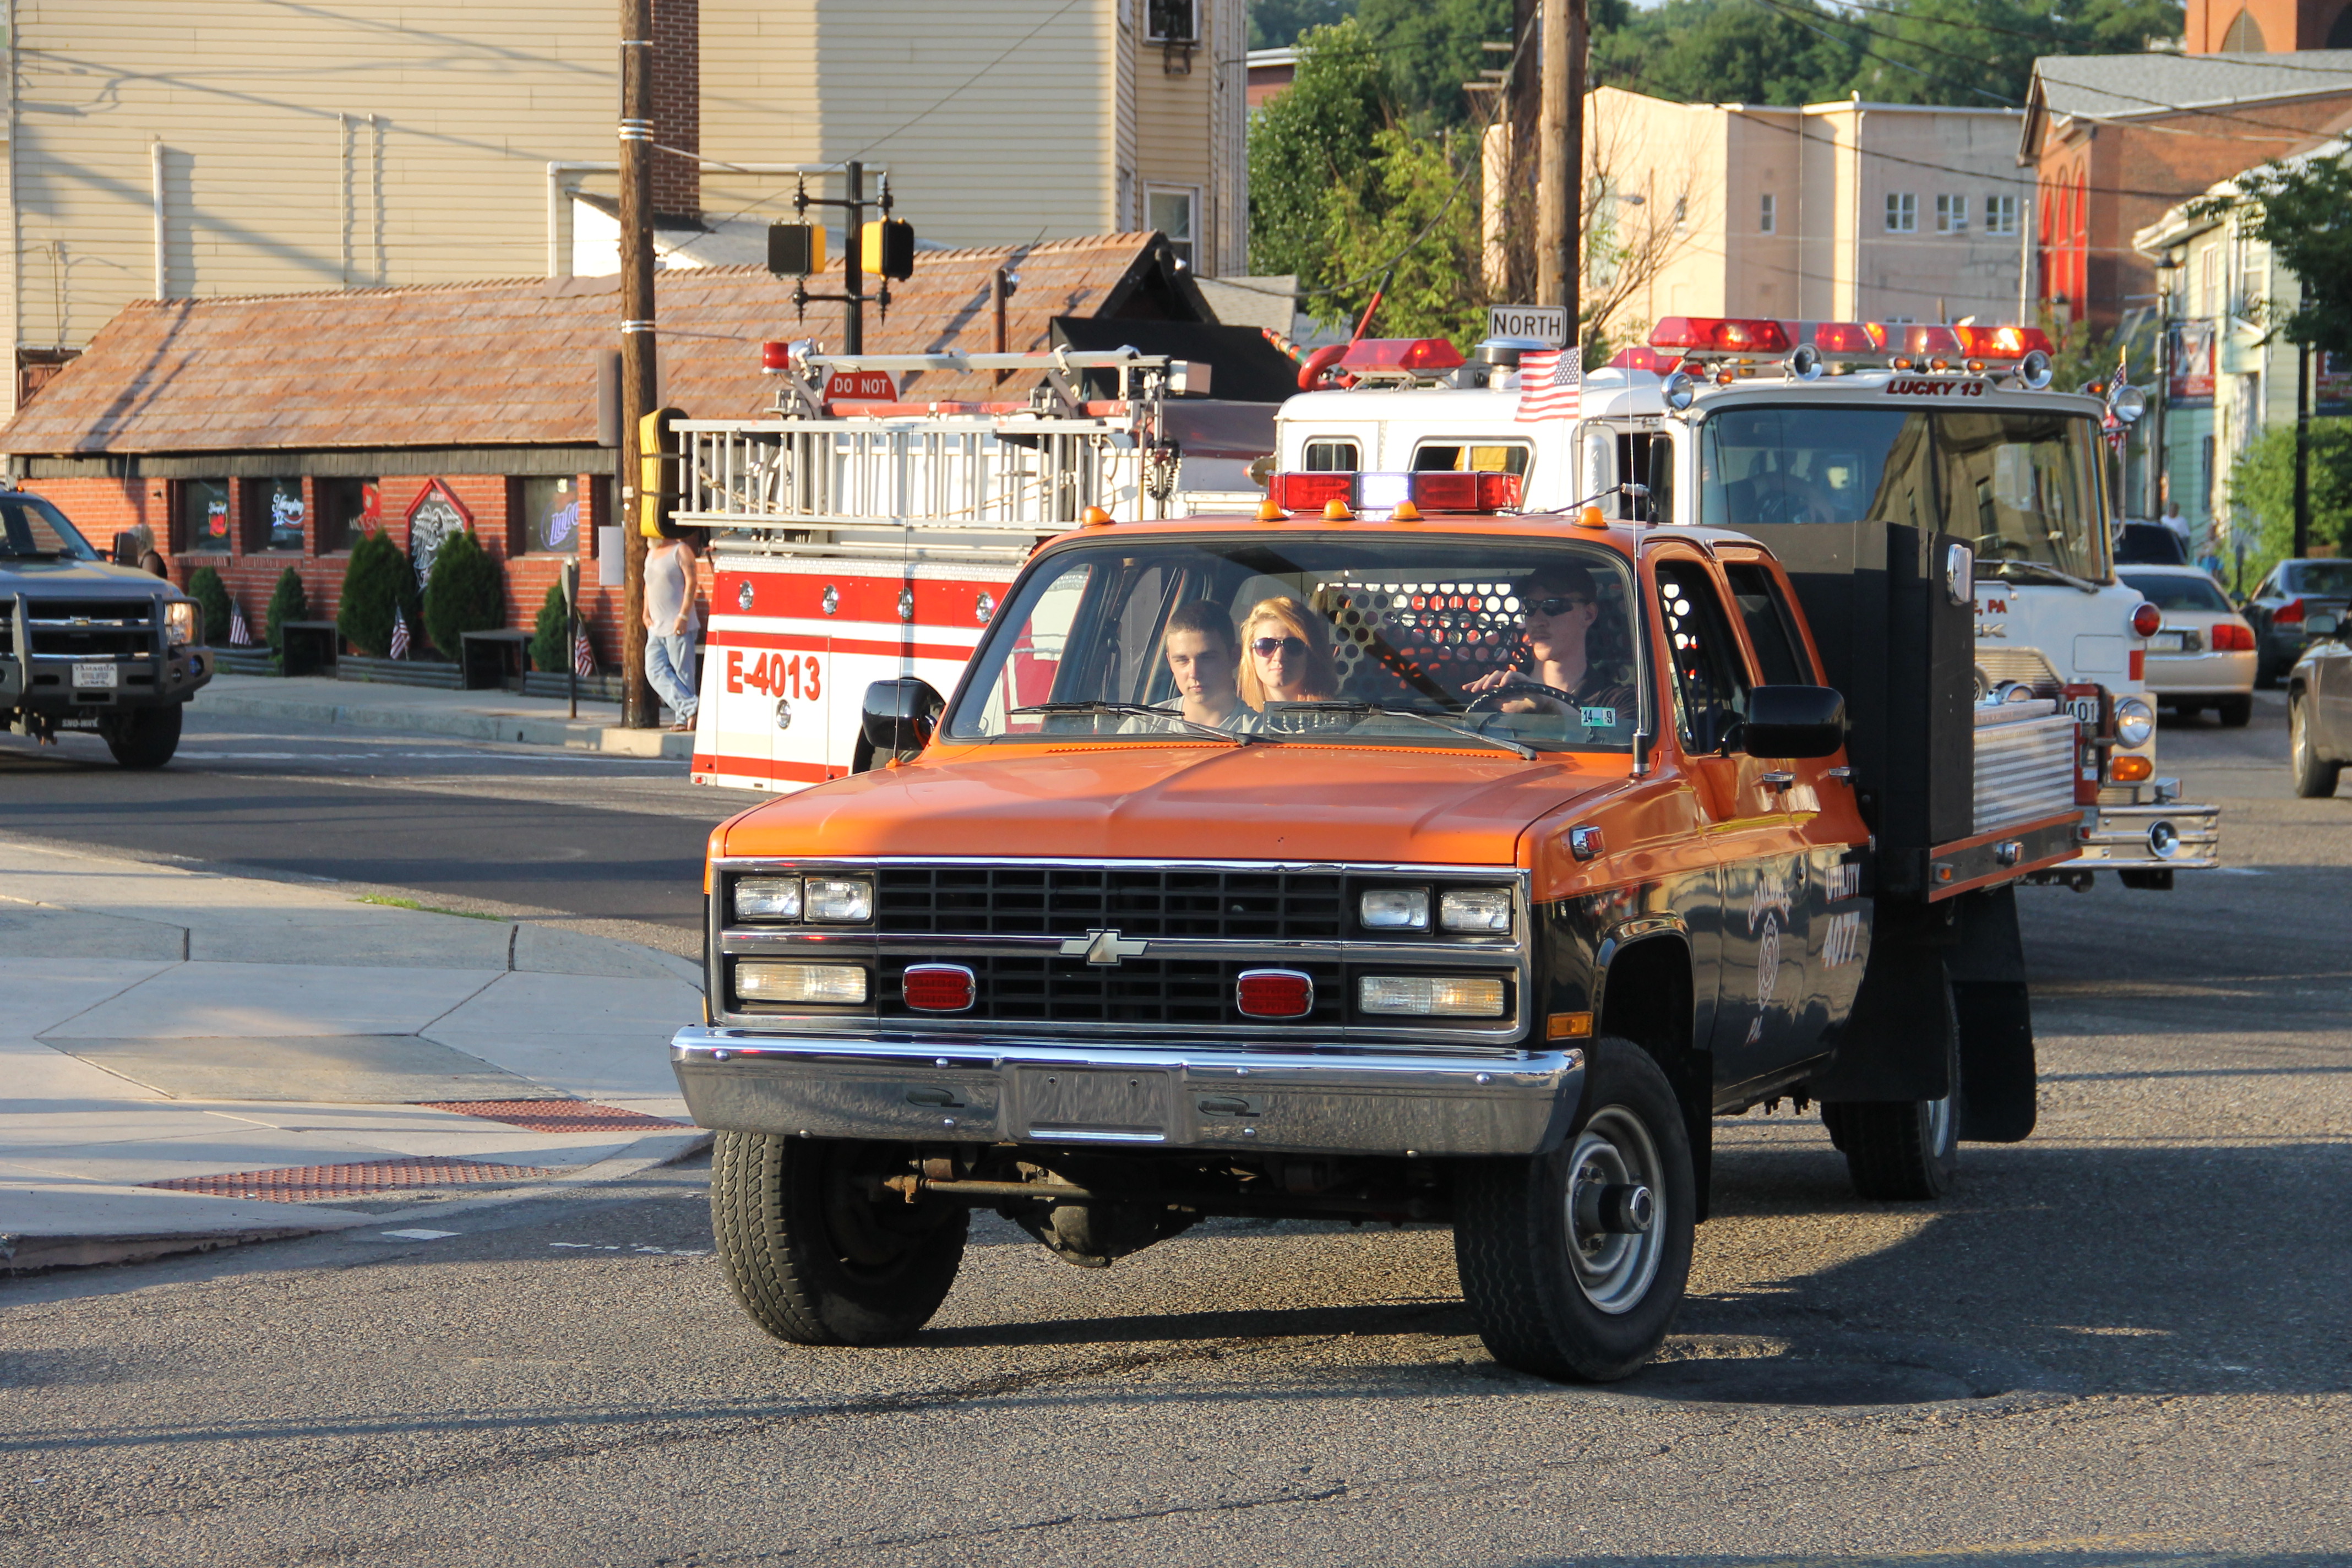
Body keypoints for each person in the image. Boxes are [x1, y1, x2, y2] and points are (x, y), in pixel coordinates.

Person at [1461, 563, 1635, 725]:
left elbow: (1614, 731)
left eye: (1552, 606)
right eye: (1530, 606)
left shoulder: (1617, 701)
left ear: (1588, 614)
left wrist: (1545, 703)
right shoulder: (1500, 695)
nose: (1538, 621)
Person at [1157, 600, 1257, 731]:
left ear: (1234, 657)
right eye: (1182, 660)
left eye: (1206, 658)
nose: (1194, 673)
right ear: (1170, 662)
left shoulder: (1262, 735)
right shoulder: (1140, 730)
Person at [642, 529, 702, 731]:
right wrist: (645, 613)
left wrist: (683, 616)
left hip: (678, 625)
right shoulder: (651, 553)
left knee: (683, 673)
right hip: (656, 627)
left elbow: (692, 582)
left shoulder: (681, 550)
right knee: (654, 670)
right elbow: (648, 586)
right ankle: (691, 707)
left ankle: (683, 719)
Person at [1236, 595, 1341, 709]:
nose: (1279, 657)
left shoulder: (1338, 717)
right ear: (1251, 655)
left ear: (1311, 654)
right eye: (1266, 646)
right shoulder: (1240, 719)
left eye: (1293, 645)